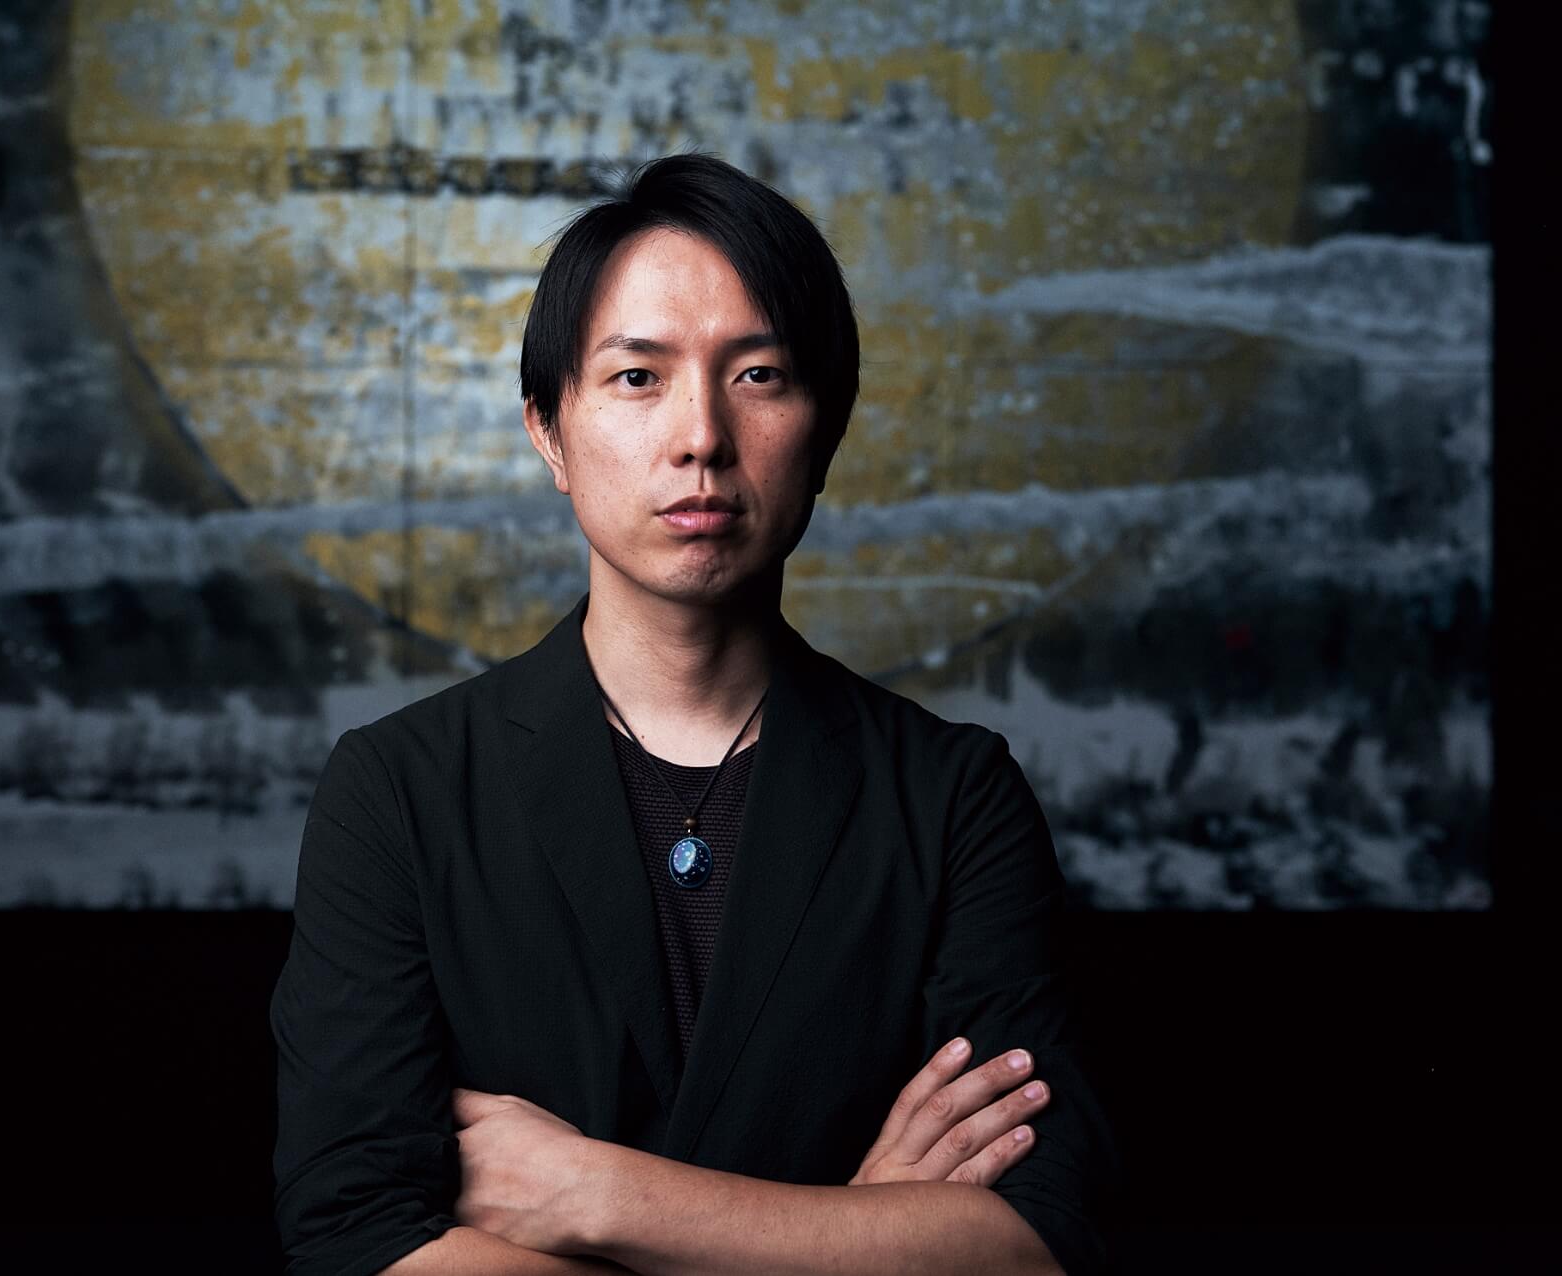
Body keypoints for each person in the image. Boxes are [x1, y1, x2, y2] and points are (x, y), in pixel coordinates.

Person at [271, 153, 1120, 1275]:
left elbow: (1035, 1241)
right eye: (637, 376)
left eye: (759, 374)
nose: (701, 437)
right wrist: (851, 1240)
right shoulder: (400, 790)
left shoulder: (954, 795)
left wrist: (594, 1194)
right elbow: (354, 1238)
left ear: (827, 429)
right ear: (548, 429)